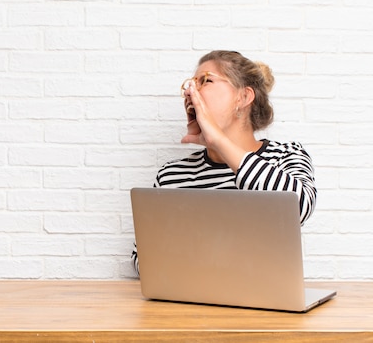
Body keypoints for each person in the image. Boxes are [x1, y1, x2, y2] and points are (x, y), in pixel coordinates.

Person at [131, 50, 317, 275]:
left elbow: (298, 208)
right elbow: (144, 258)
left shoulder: (285, 156)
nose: (191, 92)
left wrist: (219, 142)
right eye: (190, 84)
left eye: (205, 81)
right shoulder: (173, 175)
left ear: (244, 97)